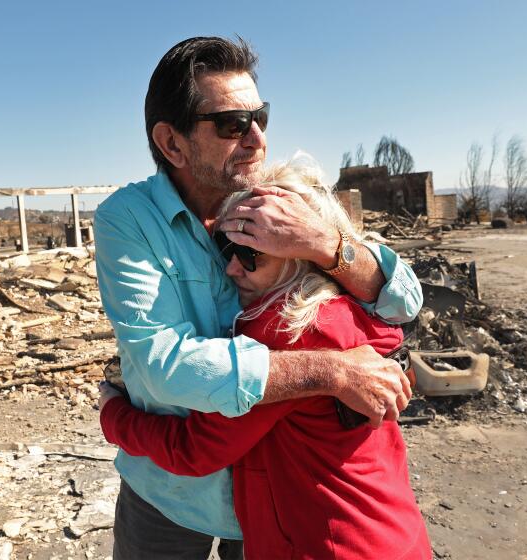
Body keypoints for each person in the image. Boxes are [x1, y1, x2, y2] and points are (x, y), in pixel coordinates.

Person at [94, 37, 423, 558]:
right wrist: (330, 371)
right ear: (172, 143)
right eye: (231, 123)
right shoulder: (129, 220)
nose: (256, 139)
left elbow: (402, 302)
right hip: (171, 496)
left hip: (271, 505)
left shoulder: (277, 200)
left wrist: (322, 244)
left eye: (260, 117)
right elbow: (164, 364)